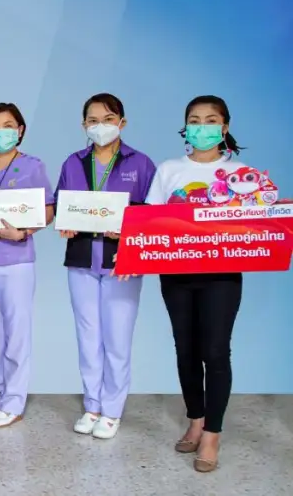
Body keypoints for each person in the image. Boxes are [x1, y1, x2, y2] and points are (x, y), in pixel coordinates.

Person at [145, 95, 246, 473]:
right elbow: (149, 222)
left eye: (210, 120)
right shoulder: (169, 170)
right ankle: (195, 420)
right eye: (195, 120)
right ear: (185, 127)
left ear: (224, 127)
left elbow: (256, 224)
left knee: (215, 352)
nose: (202, 127)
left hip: (222, 276)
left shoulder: (242, 174)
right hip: (176, 275)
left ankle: (213, 434)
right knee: (185, 349)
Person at [54, 93, 156, 439]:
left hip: (122, 261)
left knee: (117, 339)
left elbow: (153, 214)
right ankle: (92, 405)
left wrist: (130, 228)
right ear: (84, 125)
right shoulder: (73, 163)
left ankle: (112, 411)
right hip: (81, 259)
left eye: (108, 119)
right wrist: (64, 223)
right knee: (88, 338)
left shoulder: (140, 163)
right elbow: (62, 203)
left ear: (122, 123)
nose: (101, 126)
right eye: (93, 120)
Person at [0, 102, 54, 428]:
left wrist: (23, 232)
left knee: (16, 332)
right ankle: (0, 395)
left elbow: (48, 210)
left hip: (16, 260)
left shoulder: (33, 166)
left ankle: (15, 401)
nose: (0, 132)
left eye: (7, 125)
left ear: (20, 130)